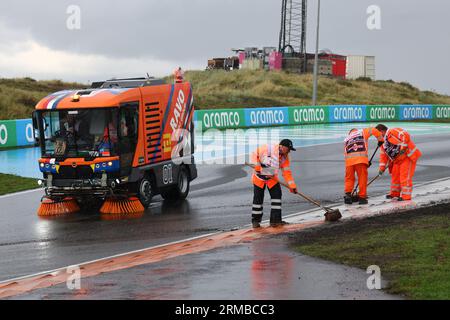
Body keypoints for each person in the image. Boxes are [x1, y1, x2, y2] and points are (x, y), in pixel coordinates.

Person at [250, 139, 297, 228]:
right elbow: (254, 155)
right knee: (258, 199)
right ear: (282, 147)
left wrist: (292, 186)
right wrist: (258, 168)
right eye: (288, 149)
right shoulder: (269, 149)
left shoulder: (285, 158)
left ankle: (275, 221)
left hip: (272, 177)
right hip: (259, 177)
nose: (289, 151)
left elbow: (287, 172)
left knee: (277, 196)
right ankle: (255, 221)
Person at [376, 124, 422, 201]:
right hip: (397, 160)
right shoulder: (383, 143)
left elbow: (405, 135)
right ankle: (394, 194)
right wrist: (382, 168)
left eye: (377, 135)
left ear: (382, 131)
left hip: (407, 157)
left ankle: (406, 196)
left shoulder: (392, 131)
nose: (377, 137)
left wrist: (403, 147)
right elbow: (383, 156)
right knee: (395, 176)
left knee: (405, 177)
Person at [344, 127, 384, 205]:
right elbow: (373, 130)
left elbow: (347, 152)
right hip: (360, 160)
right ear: (356, 130)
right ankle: (362, 198)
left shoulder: (347, 139)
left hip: (349, 162)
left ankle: (348, 195)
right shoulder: (362, 132)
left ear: (350, 133)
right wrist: (380, 140)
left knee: (349, 178)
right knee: (362, 178)